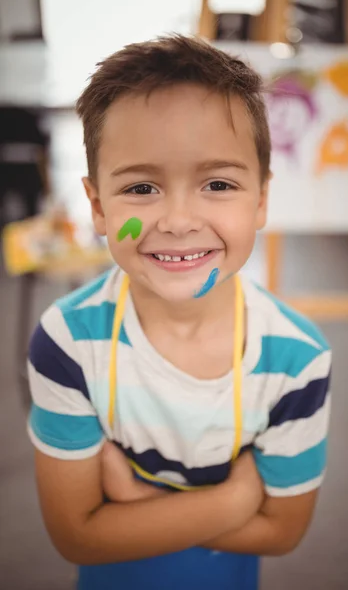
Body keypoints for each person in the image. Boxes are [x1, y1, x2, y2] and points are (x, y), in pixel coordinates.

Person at [27, 35, 332, 590]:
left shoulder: (297, 359)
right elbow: (76, 536)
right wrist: (238, 499)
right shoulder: (68, 344)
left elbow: (283, 533)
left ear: (261, 199)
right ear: (98, 207)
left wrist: (133, 503)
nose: (179, 219)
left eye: (218, 183)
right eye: (142, 187)